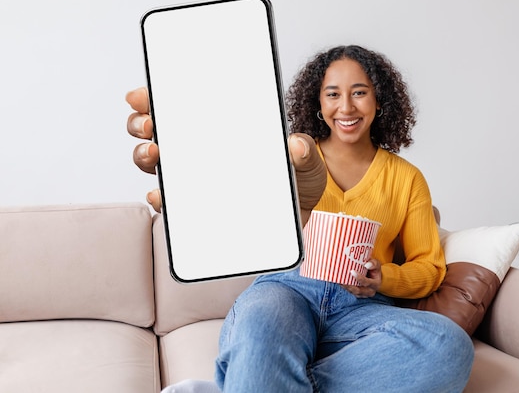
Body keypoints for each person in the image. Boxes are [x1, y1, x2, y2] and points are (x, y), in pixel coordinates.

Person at [126, 44, 474, 392]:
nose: (346, 106)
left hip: (360, 309)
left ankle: (254, 381)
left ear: (379, 100)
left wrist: (382, 278)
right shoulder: (289, 158)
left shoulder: (407, 178)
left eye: (360, 93)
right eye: (333, 94)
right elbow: (239, 211)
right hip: (286, 290)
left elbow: (429, 268)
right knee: (262, 327)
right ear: (319, 105)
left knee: (447, 345)